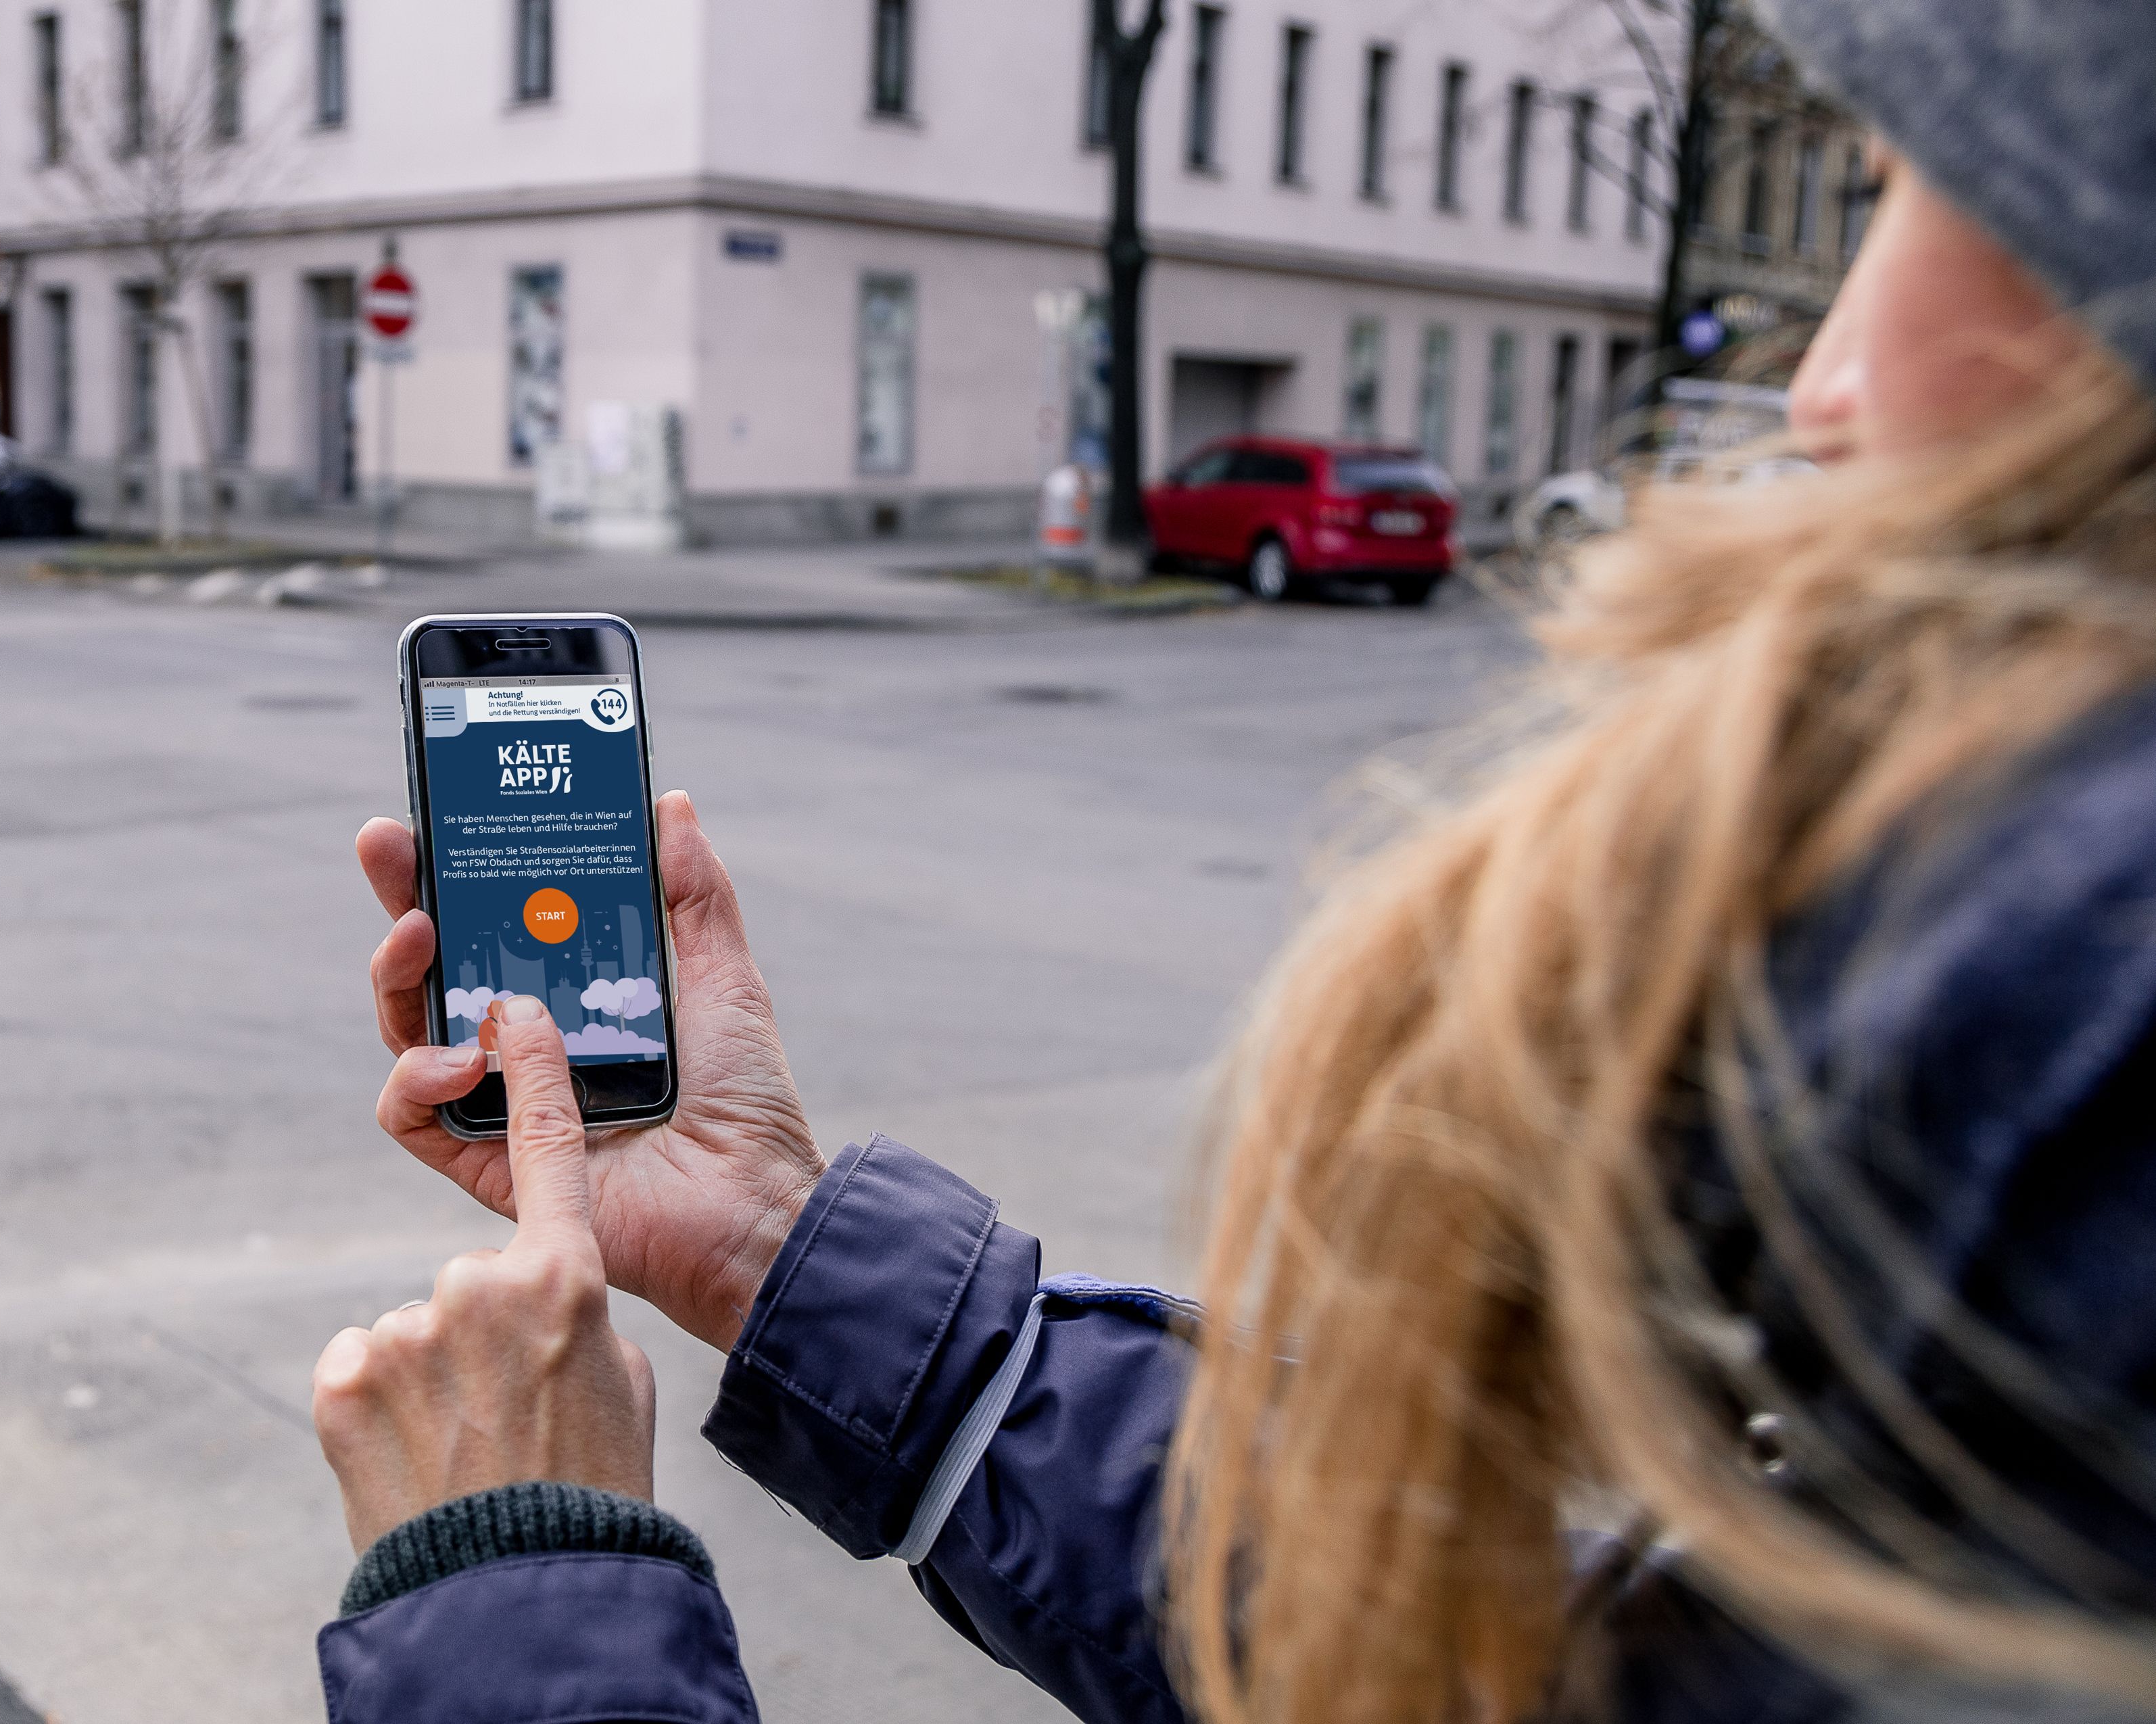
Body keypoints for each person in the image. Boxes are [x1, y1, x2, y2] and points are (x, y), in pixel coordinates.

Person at [312, 2, 2156, 1720]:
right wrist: (771, 1248)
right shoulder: (2027, 1234)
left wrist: (519, 1605)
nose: (1821, 383)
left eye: (1916, 191)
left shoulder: (2069, 1178)